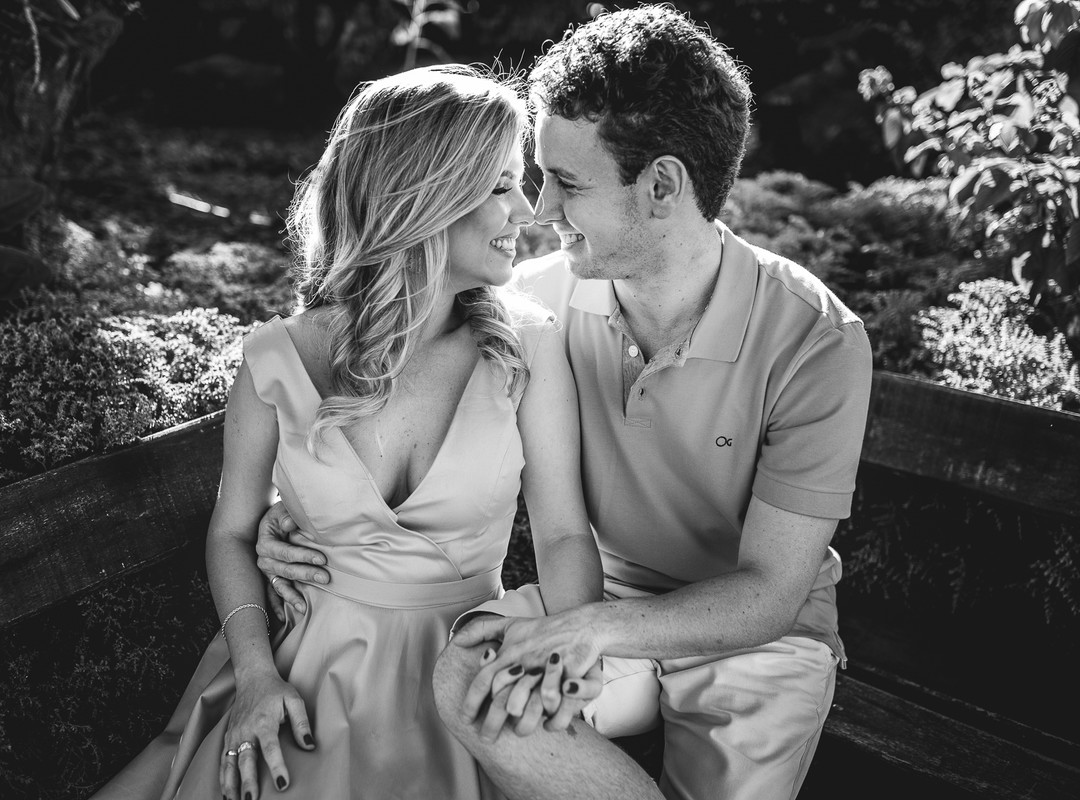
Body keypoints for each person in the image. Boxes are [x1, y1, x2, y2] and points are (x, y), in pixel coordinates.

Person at [257, 6, 873, 800]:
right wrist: (297, 508)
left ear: (661, 186)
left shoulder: (815, 339)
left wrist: (587, 628)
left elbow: (769, 592)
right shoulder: (533, 310)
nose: (539, 213)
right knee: (471, 680)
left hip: (757, 641)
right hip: (600, 603)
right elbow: (377, 384)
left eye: (567, 184)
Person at [89, 64, 604, 800]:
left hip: (467, 683)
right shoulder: (277, 358)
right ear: (423, 196)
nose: (526, 211)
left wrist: (563, 664)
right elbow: (233, 532)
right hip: (303, 680)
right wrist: (258, 675)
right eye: (500, 185)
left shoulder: (528, 348)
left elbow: (562, 537)